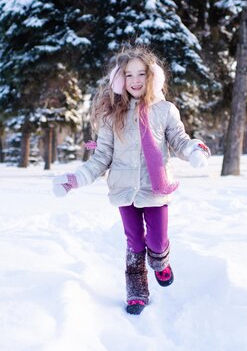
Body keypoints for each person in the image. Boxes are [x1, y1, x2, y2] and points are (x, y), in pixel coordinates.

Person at [52, 45, 210, 315]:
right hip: (125, 190)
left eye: (141, 74)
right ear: (119, 79)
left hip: (156, 187)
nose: (135, 80)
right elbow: (101, 157)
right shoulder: (112, 116)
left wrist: (194, 149)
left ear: (152, 77)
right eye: (129, 75)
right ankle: (136, 290)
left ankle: (160, 263)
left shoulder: (166, 110)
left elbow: (179, 140)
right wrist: (76, 179)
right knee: (135, 242)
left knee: (157, 241)